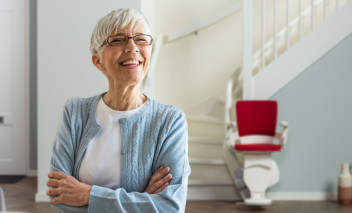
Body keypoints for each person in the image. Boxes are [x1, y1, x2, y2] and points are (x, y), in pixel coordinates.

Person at [46, 8, 190, 213]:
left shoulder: (170, 120)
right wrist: (143, 200)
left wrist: (87, 195)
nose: (132, 47)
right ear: (98, 61)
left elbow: (170, 206)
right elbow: (59, 197)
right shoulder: (74, 111)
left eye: (141, 39)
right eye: (119, 40)